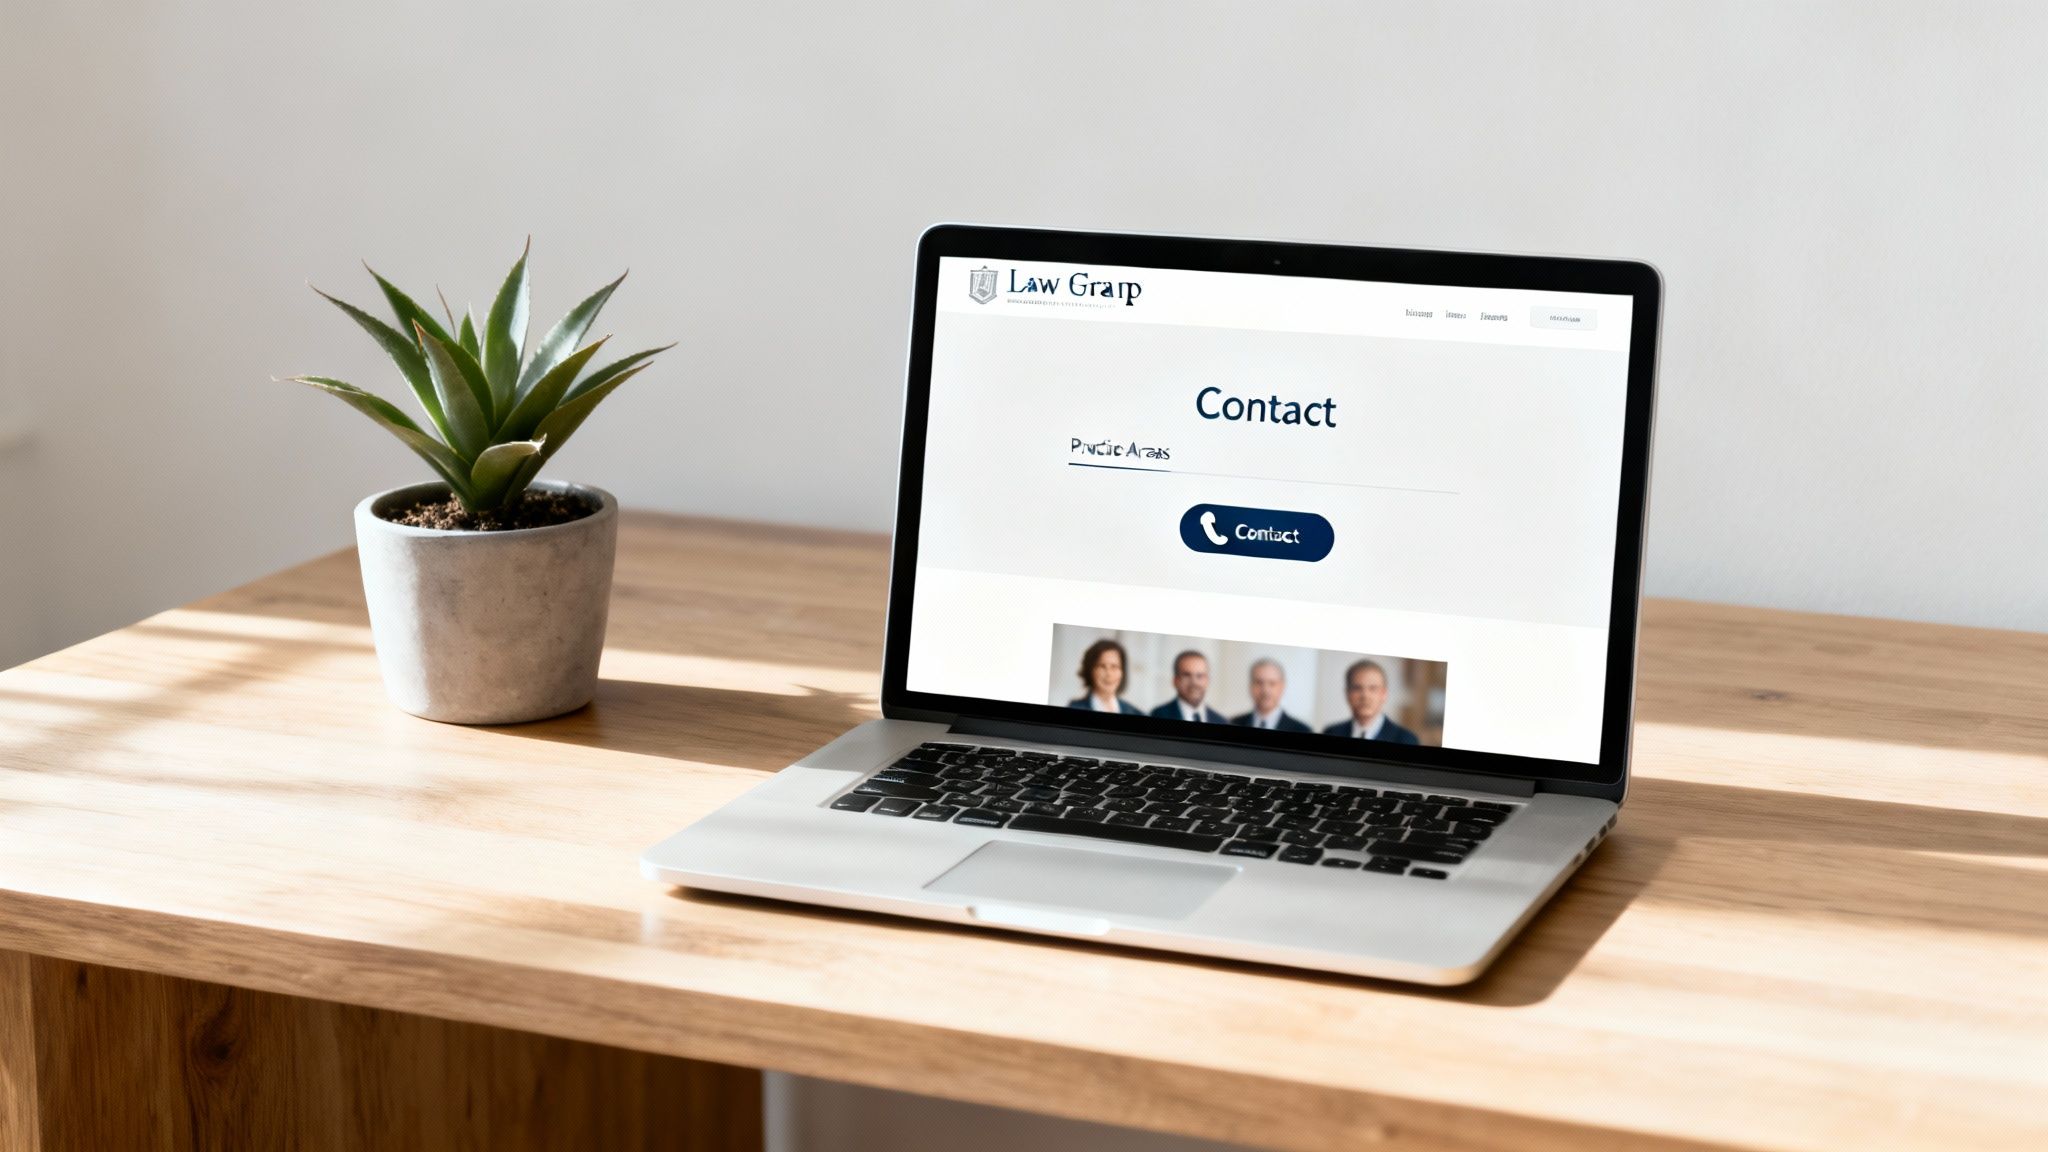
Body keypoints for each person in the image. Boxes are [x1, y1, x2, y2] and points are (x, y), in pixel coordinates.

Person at [1321, 658, 1421, 744]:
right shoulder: (1331, 733)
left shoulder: (1406, 740)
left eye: (1373, 688)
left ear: (1384, 694)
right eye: (1357, 688)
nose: (1365, 696)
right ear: (1347, 694)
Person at [1231, 657, 1312, 731]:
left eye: (1272, 683)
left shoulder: (1302, 730)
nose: (1265, 690)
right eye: (1259, 683)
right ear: (1250, 686)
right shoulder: (1233, 724)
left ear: (1282, 687)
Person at [1065, 638, 1142, 714]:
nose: (1109, 673)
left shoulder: (1136, 713)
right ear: (1091, 670)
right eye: (1102, 666)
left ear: (1122, 672)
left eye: (1114, 666)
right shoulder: (1074, 708)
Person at [1149, 650, 1228, 723]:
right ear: (1175, 681)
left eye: (1200, 676)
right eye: (1187, 675)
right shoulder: (1158, 715)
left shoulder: (1221, 721)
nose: (1194, 682)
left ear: (1207, 680)